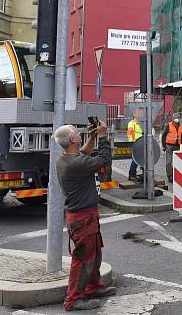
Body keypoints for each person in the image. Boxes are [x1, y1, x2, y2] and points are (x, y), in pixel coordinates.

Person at [53, 122, 117, 311]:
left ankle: (92, 287)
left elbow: (83, 152)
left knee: (95, 253)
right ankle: (73, 299)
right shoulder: (76, 164)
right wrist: (104, 136)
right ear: (72, 139)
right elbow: (103, 159)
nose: (79, 134)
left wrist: (92, 137)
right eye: (76, 133)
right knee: (82, 260)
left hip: (84, 216)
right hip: (82, 218)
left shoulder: (65, 159)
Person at [163, 115, 182, 182]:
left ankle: (176, 175)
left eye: (177, 118)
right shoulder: (168, 125)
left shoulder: (181, 127)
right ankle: (170, 176)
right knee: (168, 162)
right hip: (169, 146)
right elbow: (164, 136)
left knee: (177, 162)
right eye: (175, 118)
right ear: (172, 118)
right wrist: (164, 146)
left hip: (177, 146)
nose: (176, 119)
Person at [126, 109, 144, 181]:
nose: (140, 115)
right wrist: (132, 142)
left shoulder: (140, 123)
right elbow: (130, 134)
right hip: (135, 143)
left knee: (141, 159)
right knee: (135, 160)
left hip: (141, 143)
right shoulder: (131, 123)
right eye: (139, 114)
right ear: (135, 116)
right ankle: (131, 174)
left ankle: (136, 173)